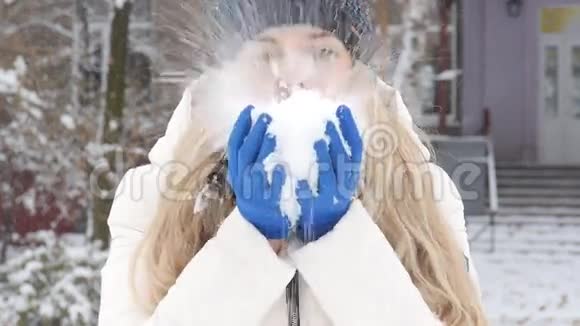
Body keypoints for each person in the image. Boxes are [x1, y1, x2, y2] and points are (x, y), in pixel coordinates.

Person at [98, 1, 487, 325]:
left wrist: (340, 241)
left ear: (355, 69)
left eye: (322, 52)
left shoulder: (425, 195)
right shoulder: (150, 197)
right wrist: (252, 243)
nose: (296, 76)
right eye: (266, 54)